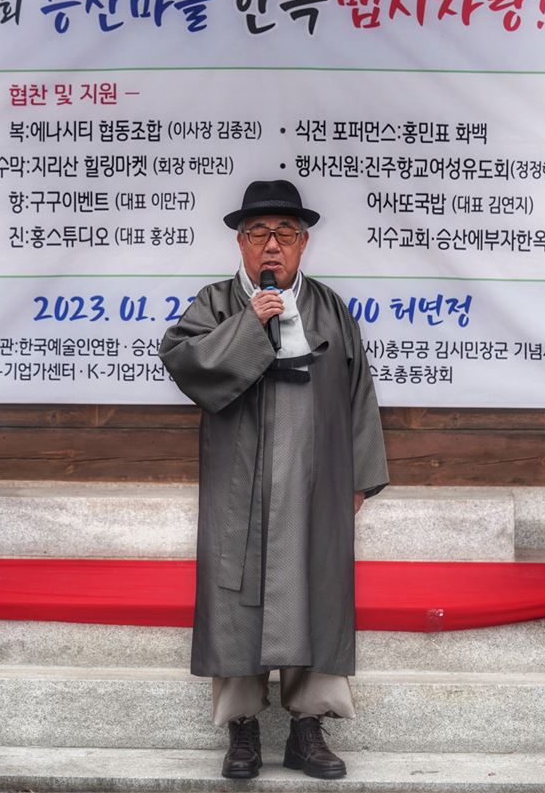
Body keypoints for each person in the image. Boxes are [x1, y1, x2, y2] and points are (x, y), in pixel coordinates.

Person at [159, 179, 388, 780]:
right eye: (258, 233)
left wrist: (359, 478)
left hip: (317, 478)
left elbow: (359, 392)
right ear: (240, 243)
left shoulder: (330, 307)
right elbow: (182, 359)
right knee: (236, 594)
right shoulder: (216, 302)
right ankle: (242, 731)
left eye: (285, 233)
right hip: (242, 479)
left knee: (318, 588)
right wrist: (248, 324)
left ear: (304, 244)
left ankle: (309, 729)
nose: (272, 246)